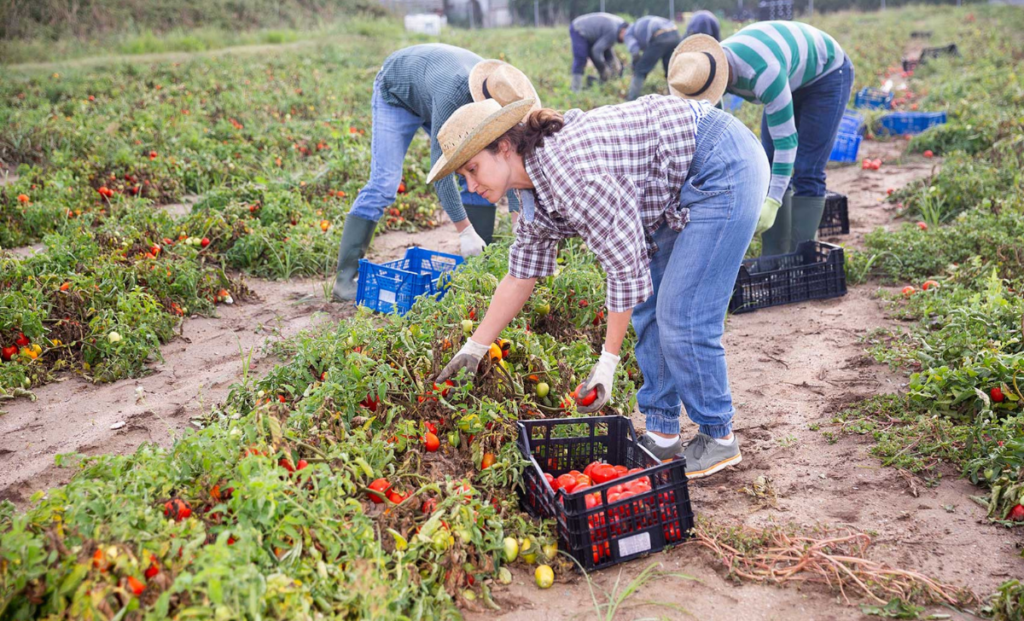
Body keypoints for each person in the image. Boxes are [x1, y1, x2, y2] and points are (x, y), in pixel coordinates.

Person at [429, 82, 770, 478]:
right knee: (649, 310)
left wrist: (607, 363)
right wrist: (475, 347)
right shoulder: (533, 191)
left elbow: (624, 268)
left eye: (472, 169)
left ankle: (718, 437)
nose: (471, 186)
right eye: (463, 178)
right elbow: (520, 275)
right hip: (669, 181)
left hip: (719, 163)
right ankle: (662, 433)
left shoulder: (572, 174)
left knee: (682, 315)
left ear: (504, 147)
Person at [332, 44, 539, 302]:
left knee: (478, 165)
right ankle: (344, 280)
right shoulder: (454, 91)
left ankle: (478, 264)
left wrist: (519, 218)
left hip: (433, 90)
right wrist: (465, 231)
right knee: (384, 183)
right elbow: (440, 169)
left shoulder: (502, 97)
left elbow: (509, 163)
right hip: (398, 93)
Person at [669, 25, 855, 255]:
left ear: (721, 80)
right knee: (768, 162)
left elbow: (786, 143)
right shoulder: (706, 70)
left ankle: (802, 260)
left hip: (826, 75)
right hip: (789, 72)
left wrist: (773, 202)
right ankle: (774, 257)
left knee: (807, 168)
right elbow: (708, 133)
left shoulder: (763, 74)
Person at [624, 15, 682, 101]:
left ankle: (631, 100)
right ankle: (677, 98)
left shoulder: (629, 32)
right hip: (676, 35)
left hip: (661, 36)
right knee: (671, 71)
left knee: (640, 70)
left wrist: (635, 65)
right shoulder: (641, 23)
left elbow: (635, 52)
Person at [569, 12, 629, 92]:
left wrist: (614, 65)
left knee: (607, 55)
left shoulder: (619, 26)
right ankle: (575, 89)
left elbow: (606, 48)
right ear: (623, 31)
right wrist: (604, 67)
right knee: (581, 58)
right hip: (579, 29)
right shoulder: (613, 31)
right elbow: (597, 51)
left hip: (594, 35)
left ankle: (604, 84)